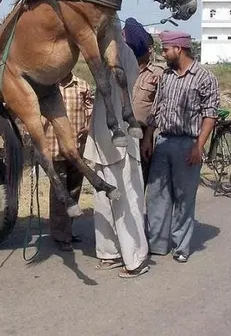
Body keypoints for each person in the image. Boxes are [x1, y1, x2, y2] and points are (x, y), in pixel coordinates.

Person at [141, 30, 220, 263]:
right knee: (156, 195)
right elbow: (157, 109)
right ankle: (157, 243)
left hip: (188, 144)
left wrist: (199, 146)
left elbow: (210, 115)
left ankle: (181, 246)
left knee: (184, 197)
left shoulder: (204, 77)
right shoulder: (166, 76)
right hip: (164, 142)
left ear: (179, 49)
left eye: (166, 49)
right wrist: (148, 138)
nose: (163, 54)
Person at [83, 25, 150, 278]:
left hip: (120, 139)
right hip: (103, 139)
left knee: (127, 200)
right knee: (103, 201)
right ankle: (109, 252)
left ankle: (136, 259)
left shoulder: (121, 54)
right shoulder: (105, 52)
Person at [43, 72, 94, 252]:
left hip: (76, 150)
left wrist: (89, 126)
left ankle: (67, 230)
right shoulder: (46, 85)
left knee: (74, 190)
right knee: (60, 194)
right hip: (53, 148)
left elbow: (90, 109)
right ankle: (60, 235)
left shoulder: (82, 86)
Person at [122, 17, 166, 184]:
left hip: (143, 135)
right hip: (123, 132)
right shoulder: (123, 70)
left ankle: (141, 210)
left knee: (141, 180)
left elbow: (158, 109)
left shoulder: (158, 74)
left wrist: (148, 137)